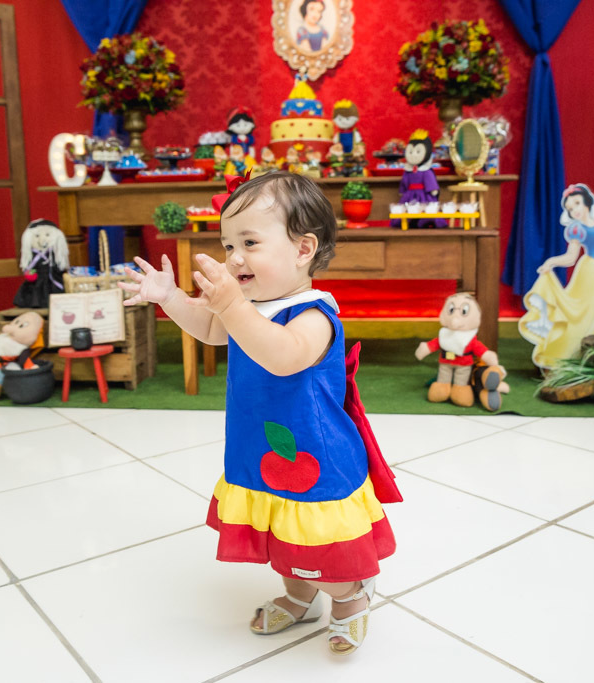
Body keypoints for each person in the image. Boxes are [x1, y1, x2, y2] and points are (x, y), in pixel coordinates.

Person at [119, 172, 400, 656]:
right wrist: (171, 298)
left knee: (318, 543)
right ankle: (299, 595)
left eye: (249, 241)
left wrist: (231, 303)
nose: (234, 257)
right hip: (263, 451)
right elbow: (210, 329)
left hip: (314, 457)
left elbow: (283, 356)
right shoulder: (250, 304)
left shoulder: (314, 314)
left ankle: (349, 596)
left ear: (303, 249)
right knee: (282, 539)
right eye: (228, 244)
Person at [518, 183, 594, 368]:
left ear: (587, 203)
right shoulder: (576, 230)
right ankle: (574, 348)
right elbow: (570, 257)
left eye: (577, 203)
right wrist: (551, 262)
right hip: (588, 270)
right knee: (583, 307)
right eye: (570, 207)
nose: (574, 210)